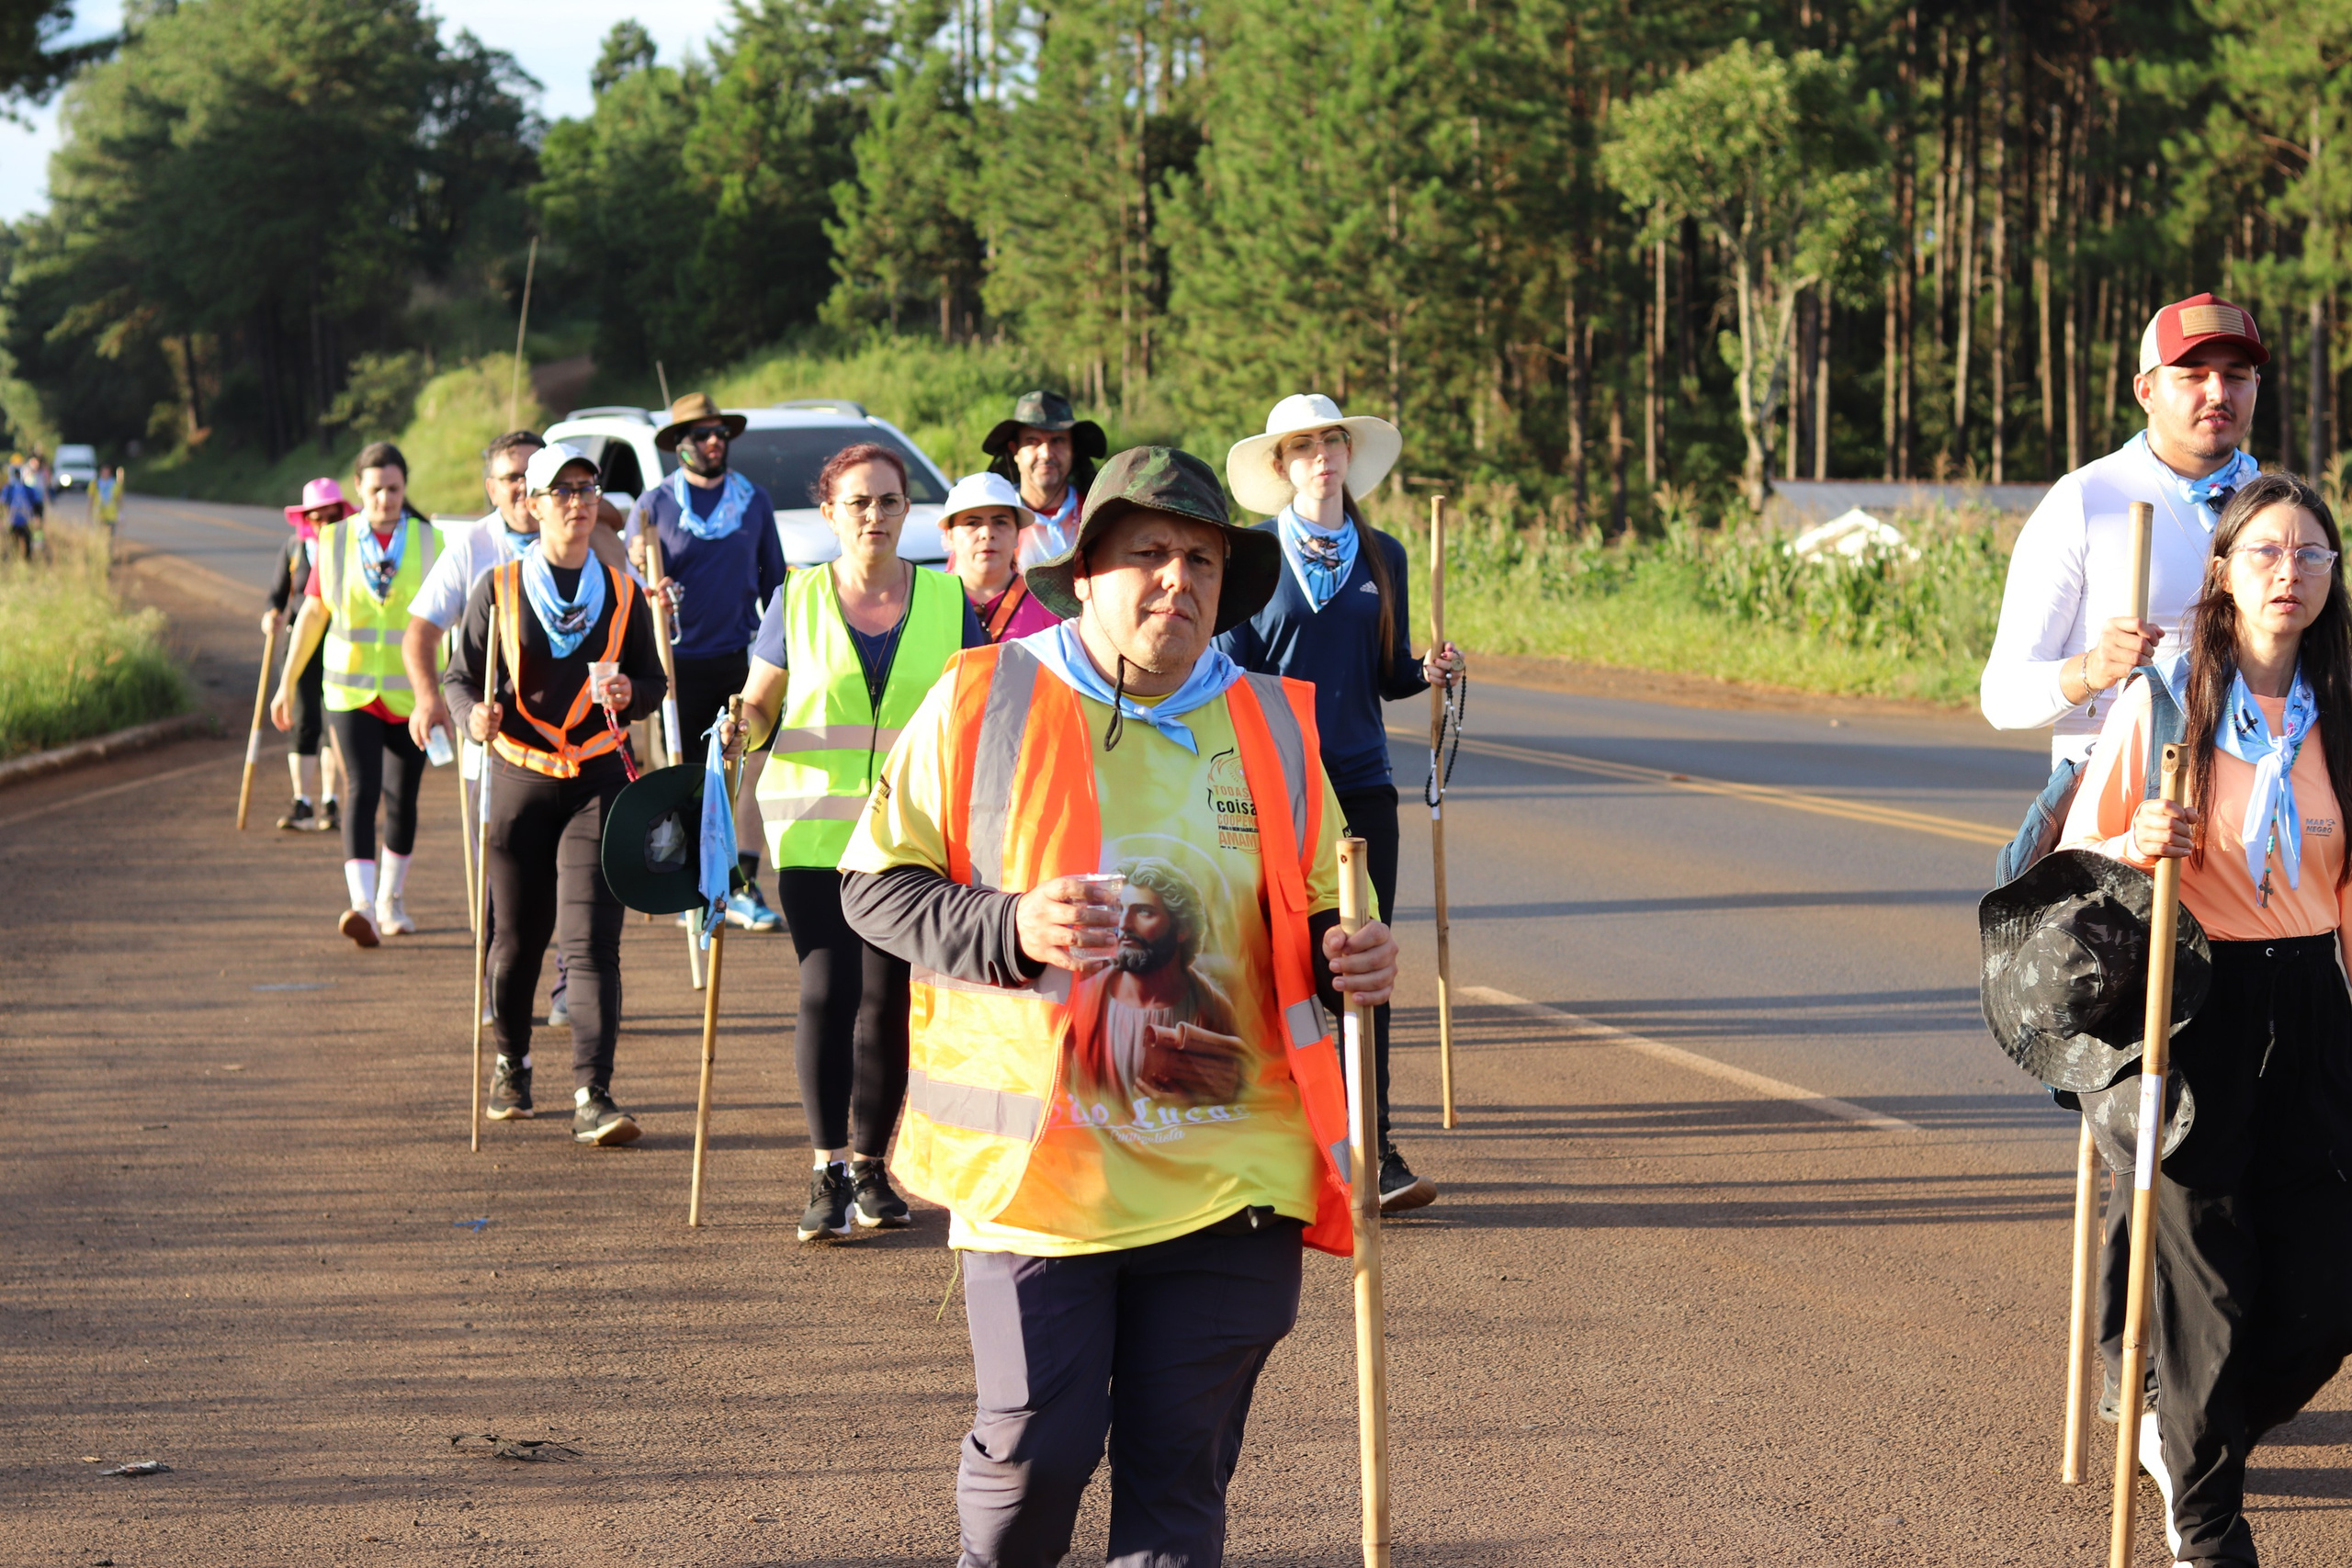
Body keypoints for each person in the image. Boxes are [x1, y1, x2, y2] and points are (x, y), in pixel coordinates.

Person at [816, 445, 1399, 1564]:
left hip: (1234, 1174)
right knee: (1038, 1453)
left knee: (1180, 1481)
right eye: (1148, 555)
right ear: (1084, 572)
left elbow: (1328, 910)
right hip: (1041, 1182)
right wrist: (1010, 925)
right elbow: (873, 889)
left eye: (1201, 560)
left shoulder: (1273, 723)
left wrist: (1350, 954)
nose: (1178, 580)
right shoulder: (985, 696)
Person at [1980, 292, 2268, 1427]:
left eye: (2237, 373)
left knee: (2237, 1099)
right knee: (2137, 1101)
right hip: (2106, 831)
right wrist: (2089, 669)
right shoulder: (2090, 503)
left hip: (2241, 828)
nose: (2218, 392)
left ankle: (2209, 1347)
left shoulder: (2271, 509)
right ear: (2144, 387)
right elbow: (2002, 692)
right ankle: (2131, 1363)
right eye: (2194, 373)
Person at [2056, 473, 2352, 1566]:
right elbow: (2083, 860)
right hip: (2196, 1008)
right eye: (2267, 552)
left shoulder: (2341, 707)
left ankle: (2184, 1437)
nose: (2290, 573)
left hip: (2314, 1008)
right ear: (2221, 572)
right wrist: (2142, 836)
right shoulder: (2166, 698)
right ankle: (2208, 1525)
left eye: (2312, 555)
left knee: (2325, 1291)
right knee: (2210, 1295)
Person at [728, 441, 986, 1242]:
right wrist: (742, 722)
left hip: (908, 837)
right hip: (813, 833)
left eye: (888, 501)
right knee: (826, 988)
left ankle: (873, 1168)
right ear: (831, 512)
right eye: (858, 502)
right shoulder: (796, 600)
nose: (874, 515)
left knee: (888, 999)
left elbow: (977, 708)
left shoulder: (948, 600)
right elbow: (764, 706)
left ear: (909, 511)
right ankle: (826, 1166)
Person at [1216, 392, 1464, 1213]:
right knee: (1272, 964)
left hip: (1361, 786)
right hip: (1275, 787)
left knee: (1361, 971)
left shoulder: (1384, 553)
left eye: (1332, 441)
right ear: (1281, 465)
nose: (1322, 455)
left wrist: (1426, 669)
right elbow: (1229, 673)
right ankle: (1272, 1146)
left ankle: (1374, 1147)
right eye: (1303, 446)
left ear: (1348, 455)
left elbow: (1386, 669)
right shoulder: (1252, 555)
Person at [443, 443, 666, 1145]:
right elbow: (459, 678)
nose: (576, 501)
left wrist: (634, 693)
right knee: (516, 942)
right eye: (560, 490)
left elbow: (653, 682)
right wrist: (470, 717)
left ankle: (593, 1094)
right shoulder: (499, 590)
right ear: (530, 504)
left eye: (586, 487)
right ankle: (512, 1061)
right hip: (518, 781)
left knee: (594, 943)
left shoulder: (623, 591)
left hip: (599, 777)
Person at [402, 431, 627, 1029]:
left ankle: (565, 988)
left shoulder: (588, 540)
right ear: (493, 489)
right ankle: (504, 1010)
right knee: (510, 903)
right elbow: (423, 635)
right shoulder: (471, 549)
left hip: (581, 761)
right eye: (511, 478)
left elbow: (621, 526)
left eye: (536, 474)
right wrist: (442, 703)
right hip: (499, 761)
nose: (524, 487)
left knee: (575, 890)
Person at [627, 392, 787, 932]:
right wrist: (651, 586)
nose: (716, 441)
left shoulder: (754, 501)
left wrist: (787, 652)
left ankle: (741, 882)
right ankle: (693, 884)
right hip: (673, 664)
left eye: (721, 432)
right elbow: (632, 576)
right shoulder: (653, 505)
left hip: (738, 658)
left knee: (745, 770)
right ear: (679, 446)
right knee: (684, 777)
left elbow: (775, 586)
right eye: (702, 434)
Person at [271, 443, 440, 946]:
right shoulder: (335, 540)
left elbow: (451, 620)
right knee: (361, 790)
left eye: (393, 489)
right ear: (358, 492)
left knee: (402, 797)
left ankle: (391, 901)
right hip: (349, 691)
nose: (385, 499)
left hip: (412, 694)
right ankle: (361, 905)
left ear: (405, 488)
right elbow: (313, 613)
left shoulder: (433, 541)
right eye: (374, 490)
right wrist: (285, 684)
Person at [266, 478, 355, 833]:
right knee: (304, 720)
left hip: (340, 641)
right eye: (316, 518)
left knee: (335, 721)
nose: (323, 524)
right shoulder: (293, 548)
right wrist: (271, 614)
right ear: (306, 519)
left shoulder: (351, 548)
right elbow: (277, 595)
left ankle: (330, 801)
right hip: (300, 642)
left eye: (331, 517)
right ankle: (302, 800)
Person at [981, 390, 1106, 570]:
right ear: (1014, 450)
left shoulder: (1099, 517)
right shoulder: (989, 523)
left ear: (1073, 449)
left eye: (1057, 440)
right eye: (1033, 441)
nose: (1046, 453)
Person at [937, 471, 1062, 642]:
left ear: (1017, 533)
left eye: (1000, 522)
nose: (987, 534)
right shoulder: (926, 602)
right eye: (972, 523)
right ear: (949, 535)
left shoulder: (1048, 607)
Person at [5, 461, 40, 560]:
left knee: (28, 542)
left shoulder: (28, 489)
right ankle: (15, 560)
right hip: (13, 520)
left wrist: (37, 517)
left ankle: (27, 560)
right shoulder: (9, 489)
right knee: (13, 543)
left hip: (25, 520)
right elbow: (4, 504)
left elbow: (35, 503)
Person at [92, 465, 120, 532]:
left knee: (110, 533)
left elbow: (118, 499)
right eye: (104, 472)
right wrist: (88, 515)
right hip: (99, 514)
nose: (105, 474)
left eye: (107, 472)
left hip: (111, 514)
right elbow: (91, 499)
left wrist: (121, 513)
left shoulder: (115, 484)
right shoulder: (95, 484)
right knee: (99, 533)